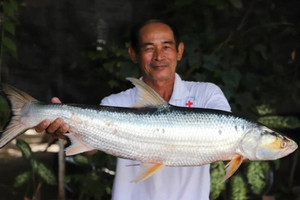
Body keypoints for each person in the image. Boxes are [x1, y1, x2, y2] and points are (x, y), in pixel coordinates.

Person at [35, 19, 231, 200]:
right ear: (133, 54)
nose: (159, 56)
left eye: (166, 47)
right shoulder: (115, 102)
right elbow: (91, 148)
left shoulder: (207, 95)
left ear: (179, 51)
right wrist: (68, 131)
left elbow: (230, 144)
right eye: (149, 48)